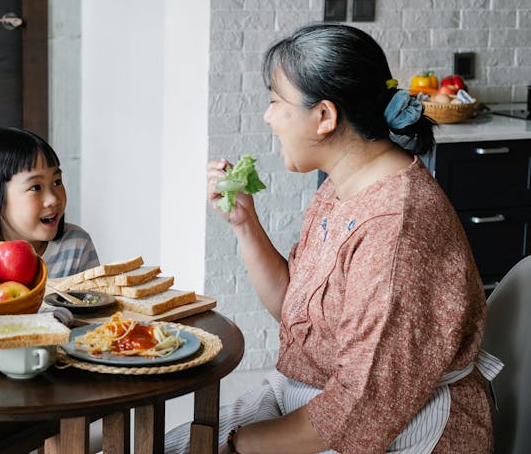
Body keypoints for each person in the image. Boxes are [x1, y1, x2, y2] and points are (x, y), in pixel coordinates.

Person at [165, 23, 502, 453]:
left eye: (274, 102)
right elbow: (295, 308)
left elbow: (362, 408)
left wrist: (240, 445)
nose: (268, 117)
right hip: (316, 401)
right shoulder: (343, 185)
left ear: (324, 116)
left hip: (399, 428)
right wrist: (244, 223)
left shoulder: (394, 228)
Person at [0, 127, 99, 278]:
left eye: (57, 182)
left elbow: (96, 300)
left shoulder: (77, 245)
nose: (53, 199)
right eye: (36, 187)